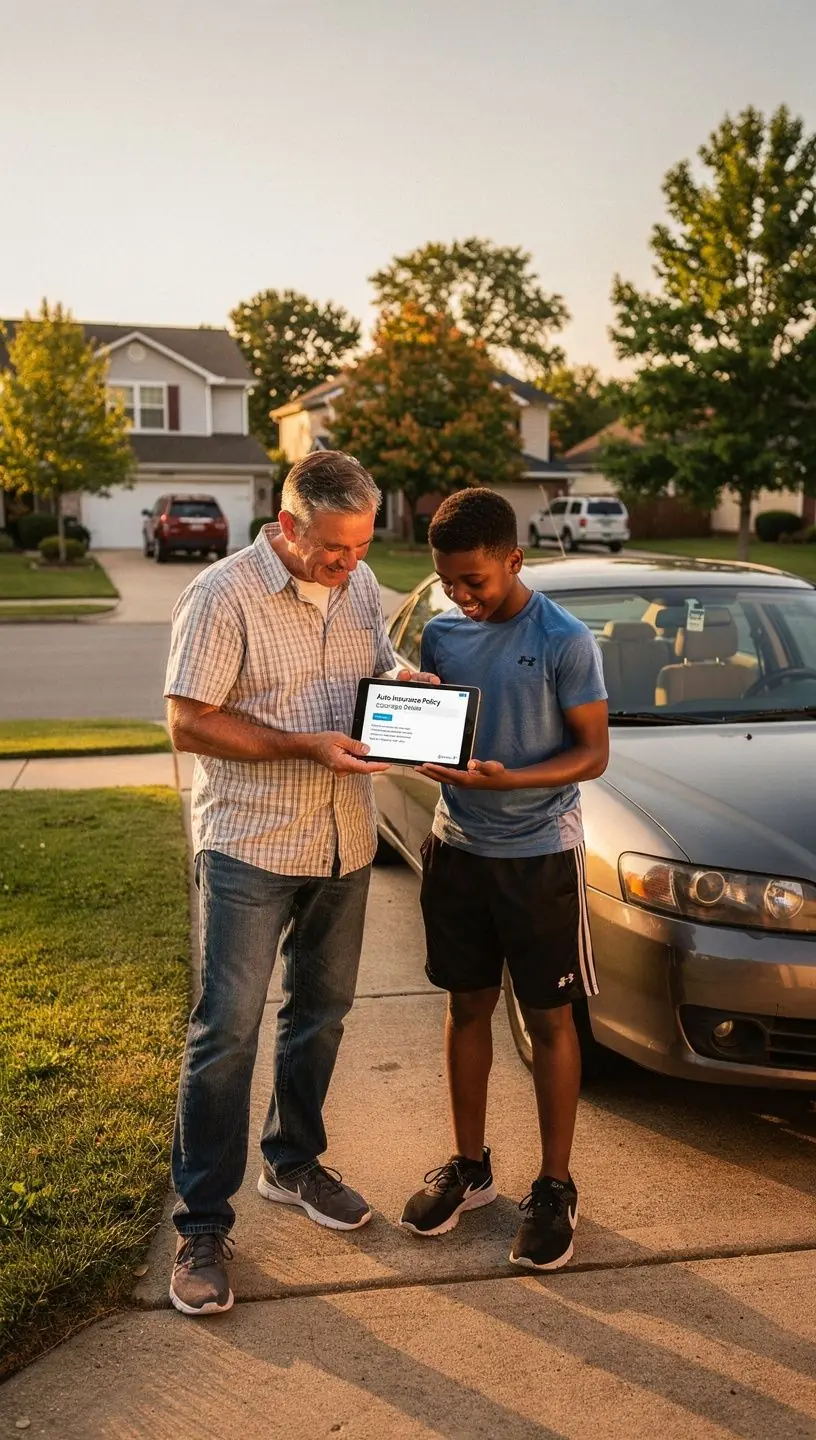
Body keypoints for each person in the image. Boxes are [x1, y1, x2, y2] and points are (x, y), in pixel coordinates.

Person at [164, 450, 431, 1316]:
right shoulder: (220, 595)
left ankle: (294, 1163)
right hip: (249, 844)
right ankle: (203, 1222)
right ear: (288, 527)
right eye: (334, 549)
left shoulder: (356, 587)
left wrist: (405, 684)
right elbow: (189, 722)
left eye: (360, 548)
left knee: (320, 1014)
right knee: (226, 1033)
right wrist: (301, 743)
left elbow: (378, 660)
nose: (351, 565)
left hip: (343, 843)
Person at [399, 488, 609, 1271]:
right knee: (466, 1008)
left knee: (550, 1019)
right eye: (449, 583)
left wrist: (508, 783)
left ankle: (554, 1186)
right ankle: (471, 1167)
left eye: (475, 582)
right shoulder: (445, 634)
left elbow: (592, 754)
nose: (462, 597)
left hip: (538, 854)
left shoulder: (565, 639)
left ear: (514, 560)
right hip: (457, 849)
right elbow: (436, 717)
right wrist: (413, 713)